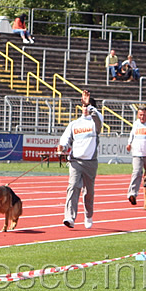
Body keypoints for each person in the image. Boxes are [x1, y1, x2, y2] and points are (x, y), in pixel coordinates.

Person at [56, 90, 102, 229]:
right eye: (83, 105)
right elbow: (66, 139)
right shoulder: (74, 124)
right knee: (73, 187)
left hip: (90, 162)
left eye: (86, 106)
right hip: (75, 161)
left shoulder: (95, 123)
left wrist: (90, 106)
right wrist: (62, 147)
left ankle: (88, 215)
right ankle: (69, 217)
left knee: (88, 191)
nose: (84, 108)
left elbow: (99, 119)